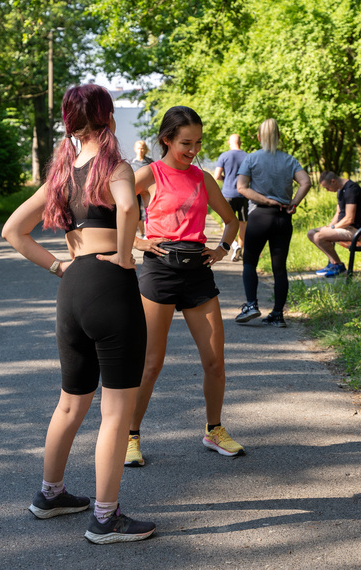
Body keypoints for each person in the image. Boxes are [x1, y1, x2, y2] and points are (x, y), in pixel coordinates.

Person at [1, 84, 155, 544]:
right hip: (111, 287)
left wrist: (58, 266)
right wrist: (126, 257)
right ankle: (105, 518)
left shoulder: (61, 176)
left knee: (71, 401)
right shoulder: (115, 167)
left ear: (70, 124)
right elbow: (127, 205)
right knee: (115, 411)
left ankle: (50, 495)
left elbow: (13, 230)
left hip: (72, 290)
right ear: (107, 116)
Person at [124, 106, 242, 468]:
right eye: (186, 143)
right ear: (167, 140)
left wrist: (221, 249)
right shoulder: (149, 173)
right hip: (158, 272)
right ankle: (131, 436)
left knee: (215, 362)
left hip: (197, 273)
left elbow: (231, 220)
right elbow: (114, 210)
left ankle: (214, 429)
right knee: (150, 364)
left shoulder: (203, 178)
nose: (193, 150)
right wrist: (138, 242)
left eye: (198, 143)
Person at [234, 118, 311, 327]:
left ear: (259, 137)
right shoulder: (289, 160)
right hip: (283, 217)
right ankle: (278, 314)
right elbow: (306, 182)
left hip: (260, 216)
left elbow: (241, 187)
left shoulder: (251, 159)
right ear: (279, 137)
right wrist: (294, 202)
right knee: (279, 268)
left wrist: (265, 199)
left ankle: (251, 304)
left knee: (250, 261)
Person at [306, 171, 361, 278]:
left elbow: (349, 219)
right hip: (344, 228)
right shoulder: (340, 190)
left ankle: (338, 265)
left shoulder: (351, 190)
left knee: (319, 236)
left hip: (354, 230)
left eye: (327, 187)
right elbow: (338, 212)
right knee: (311, 233)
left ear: (333, 181)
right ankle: (332, 263)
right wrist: (329, 226)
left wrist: (333, 228)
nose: (327, 190)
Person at [213, 134, 248, 262]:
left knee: (226, 220)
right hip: (244, 193)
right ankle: (240, 249)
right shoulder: (247, 156)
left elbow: (217, 175)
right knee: (242, 222)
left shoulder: (224, 156)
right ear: (241, 142)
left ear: (229, 143)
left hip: (228, 193)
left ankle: (234, 245)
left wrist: (226, 179)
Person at [130, 140, 154, 237]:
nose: (141, 150)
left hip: (147, 190)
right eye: (139, 148)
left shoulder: (150, 162)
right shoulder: (130, 162)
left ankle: (147, 234)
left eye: (142, 148)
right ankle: (142, 233)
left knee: (147, 211)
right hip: (134, 189)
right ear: (135, 149)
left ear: (146, 149)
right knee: (137, 213)